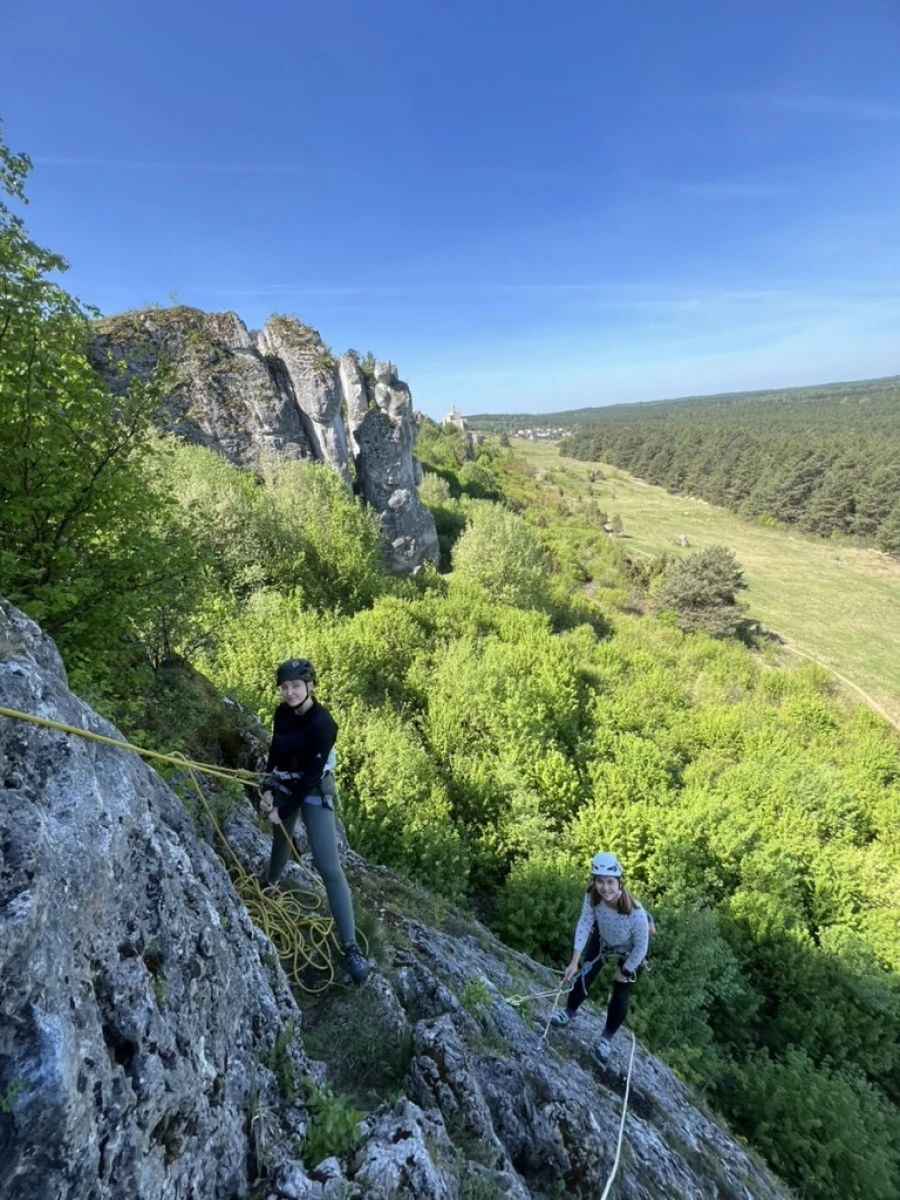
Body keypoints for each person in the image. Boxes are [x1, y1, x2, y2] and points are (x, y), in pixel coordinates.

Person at [259, 657, 370, 986]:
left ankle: (350, 946)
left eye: (295, 686)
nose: (289, 692)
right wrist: (267, 787)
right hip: (287, 782)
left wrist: (282, 807)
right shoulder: (282, 713)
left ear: (309, 686)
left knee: (327, 864)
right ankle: (270, 886)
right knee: (281, 838)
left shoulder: (324, 724)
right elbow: (276, 752)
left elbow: (309, 777)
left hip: (312, 787)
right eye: (285, 687)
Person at [551, 851, 649, 1064]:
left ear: (620, 882)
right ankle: (568, 1012)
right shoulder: (592, 896)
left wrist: (625, 970)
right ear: (594, 881)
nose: (605, 887)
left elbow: (641, 947)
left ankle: (606, 1038)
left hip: (630, 951)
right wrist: (574, 961)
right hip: (603, 940)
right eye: (600, 881)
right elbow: (585, 923)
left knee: (621, 989)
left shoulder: (636, 912)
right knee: (585, 973)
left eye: (610, 882)